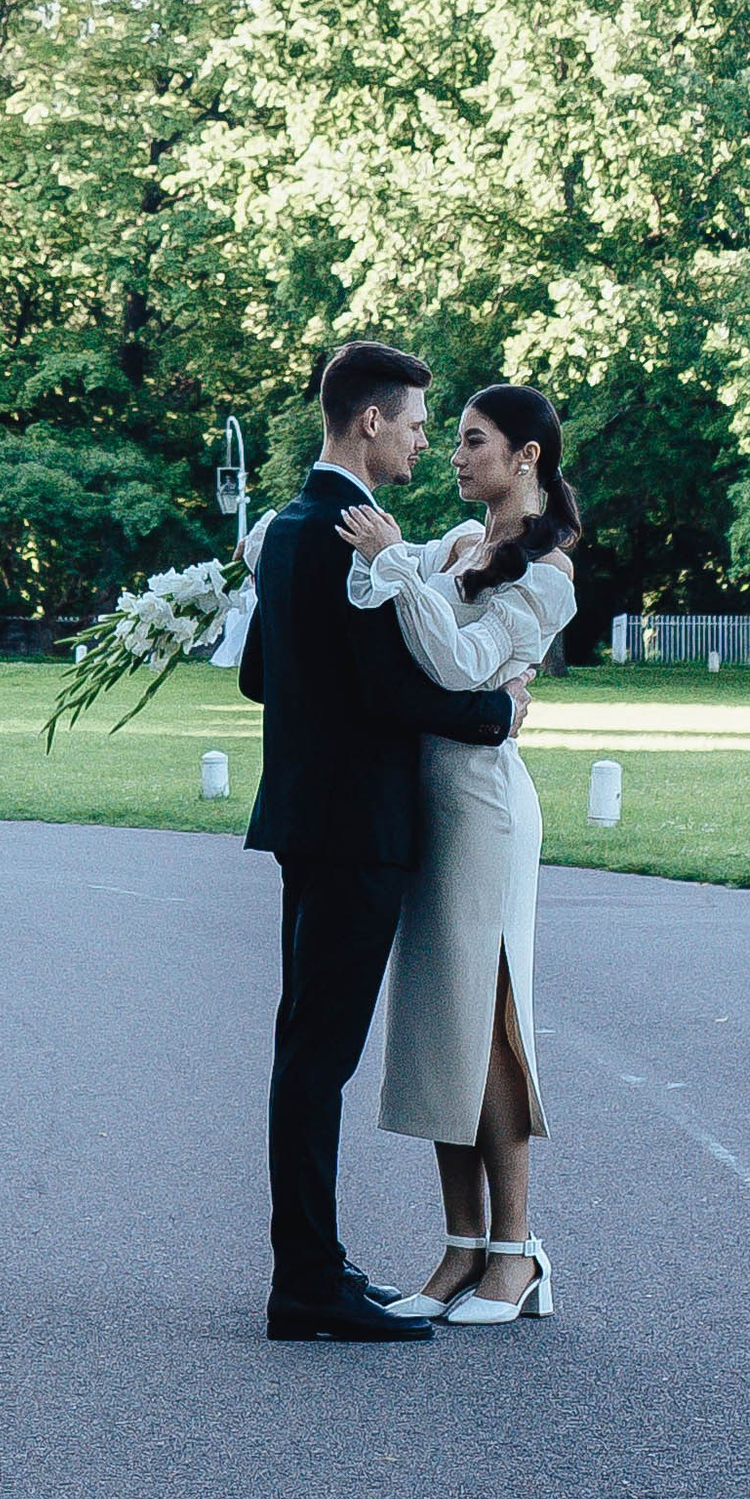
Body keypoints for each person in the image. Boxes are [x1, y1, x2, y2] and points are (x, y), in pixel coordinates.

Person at [239, 338, 528, 1343]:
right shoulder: (355, 535)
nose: (419, 439)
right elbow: (391, 689)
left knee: (305, 1049)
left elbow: (255, 675)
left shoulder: (285, 528)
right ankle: (308, 1284)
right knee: (318, 1059)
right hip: (359, 829)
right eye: (412, 422)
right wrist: (498, 711)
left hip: (302, 822)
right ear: (368, 421)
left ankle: (313, 1267)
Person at [336, 381, 580, 1324]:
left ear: (526, 456)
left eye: (474, 441)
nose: (455, 453)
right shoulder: (448, 547)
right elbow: (390, 631)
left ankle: (518, 1256)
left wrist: (396, 565)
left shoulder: (547, 571)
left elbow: (457, 667)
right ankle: (459, 1251)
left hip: (484, 803)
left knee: (487, 1017)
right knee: (442, 1021)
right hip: (426, 798)